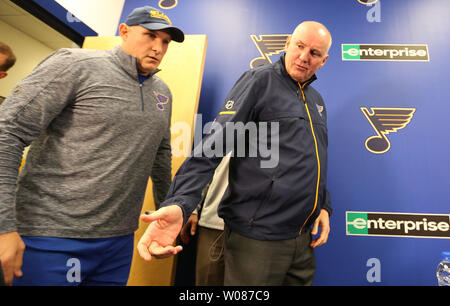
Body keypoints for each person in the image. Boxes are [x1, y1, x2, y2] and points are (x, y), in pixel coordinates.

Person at [137, 21, 333, 286]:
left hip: (301, 237)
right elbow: (212, 146)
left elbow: (314, 159)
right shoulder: (259, 81)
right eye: (300, 46)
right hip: (257, 237)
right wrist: (181, 202)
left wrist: (322, 204)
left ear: (324, 60)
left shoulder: (316, 101)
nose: (304, 57)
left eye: (314, 53)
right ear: (287, 43)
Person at [0, 6, 184, 286]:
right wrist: (3, 227)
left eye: (165, 42)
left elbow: (160, 155)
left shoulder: (162, 92)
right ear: (123, 31)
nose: (158, 47)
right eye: (150, 35)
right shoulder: (74, 65)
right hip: (49, 236)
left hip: (117, 244)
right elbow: (7, 133)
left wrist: (166, 211)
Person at [180, 155, 230, 286]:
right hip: (215, 223)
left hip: (258, 230)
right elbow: (205, 166)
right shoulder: (225, 134)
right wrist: (191, 208)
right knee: (208, 281)